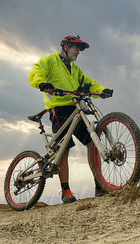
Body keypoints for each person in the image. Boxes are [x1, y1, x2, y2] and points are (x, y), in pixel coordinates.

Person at [28, 35, 113, 204]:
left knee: (92, 142)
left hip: (75, 108)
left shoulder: (75, 69)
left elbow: (88, 83)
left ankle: (100, 184)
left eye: (80, 49)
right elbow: (36, 71)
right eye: (76, 47)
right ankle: (66, 191)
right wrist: (42, 84)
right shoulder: (50, 61)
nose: (78, 51)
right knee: (64, 149)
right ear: (65, 46)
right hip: (58, 109)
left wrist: (102, 90)